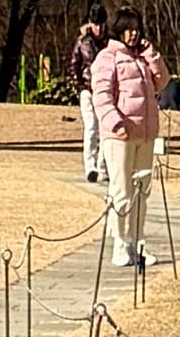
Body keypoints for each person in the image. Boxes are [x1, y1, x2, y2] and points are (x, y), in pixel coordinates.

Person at [89, 19, 167, 278]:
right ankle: (120, 245)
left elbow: (162, 82)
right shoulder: (107, 57)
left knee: (141, 191)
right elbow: (101, 96)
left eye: (136, 29)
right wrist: (115, 122)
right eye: (127, 29)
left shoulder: (141, 58)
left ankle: (137, 242)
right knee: (121, 191)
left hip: (145, 134)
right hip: (119, 135)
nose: (132, 34)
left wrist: (152, 55)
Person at [69, 15, 110, 189]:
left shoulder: (110, 41)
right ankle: (90, 166)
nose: (98, 28)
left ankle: (102, 165)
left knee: (104, 128)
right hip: (87, 88)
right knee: (91, 127)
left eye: (101, 24)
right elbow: (74, 63)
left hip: (105, 89)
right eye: (95, 24)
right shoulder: (83, 41)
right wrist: (80, 83)